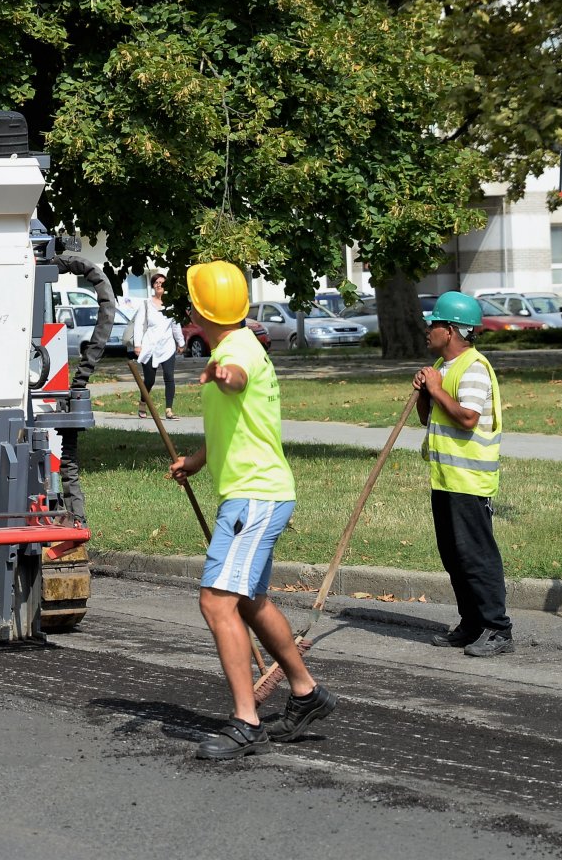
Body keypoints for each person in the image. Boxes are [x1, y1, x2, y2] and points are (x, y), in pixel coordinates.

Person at [169, 261, 336, 759]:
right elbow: (240, 421)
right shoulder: (238, 343)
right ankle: (306, 693)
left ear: (200, 311)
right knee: (249, 601)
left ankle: (247, 723)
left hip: (254, 498)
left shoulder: (235, 353)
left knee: (216, 601)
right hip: (258, 493)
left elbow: (236, 381)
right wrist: (197, 461)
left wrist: (223, 375)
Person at [414, 292, 510, 657]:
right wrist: (425, 393)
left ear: (452, 330)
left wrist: (436, 388)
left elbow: (468, 417)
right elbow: (428, 417)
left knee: (476, 557)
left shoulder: (474, 367)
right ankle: (471, 624)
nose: (428, 329)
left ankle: (497, 628)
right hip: (445, 478)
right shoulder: (443, 366)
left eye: (434, 324)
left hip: (469, 480)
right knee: (454, 557)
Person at [131, 272, 184, 419]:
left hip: (167, 346)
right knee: (150, 380)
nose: (159, 285)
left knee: (169, 377)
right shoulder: (146, 304)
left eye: (162, 282)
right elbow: (138, 325)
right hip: (150, 346)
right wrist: (137, 345)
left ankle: (169, 410)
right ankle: (143, 402)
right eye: (156, 282)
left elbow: (176, 325)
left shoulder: (171, 305)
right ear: (153, 286)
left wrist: (181, 342)